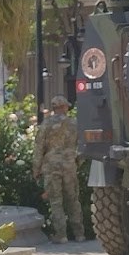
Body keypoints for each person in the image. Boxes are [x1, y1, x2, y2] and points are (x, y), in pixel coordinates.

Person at [32, 95, 85, 243]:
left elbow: (39, 148)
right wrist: (77, 162)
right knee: (73, 199)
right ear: (64, 107)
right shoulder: (75, 124)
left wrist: (36, 170)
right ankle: (79, 233)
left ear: (55, 108)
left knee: (56, 201)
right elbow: (82, 147)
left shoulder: (46, 125)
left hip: (51, 166)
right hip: (69, 165)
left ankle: (61, 235)